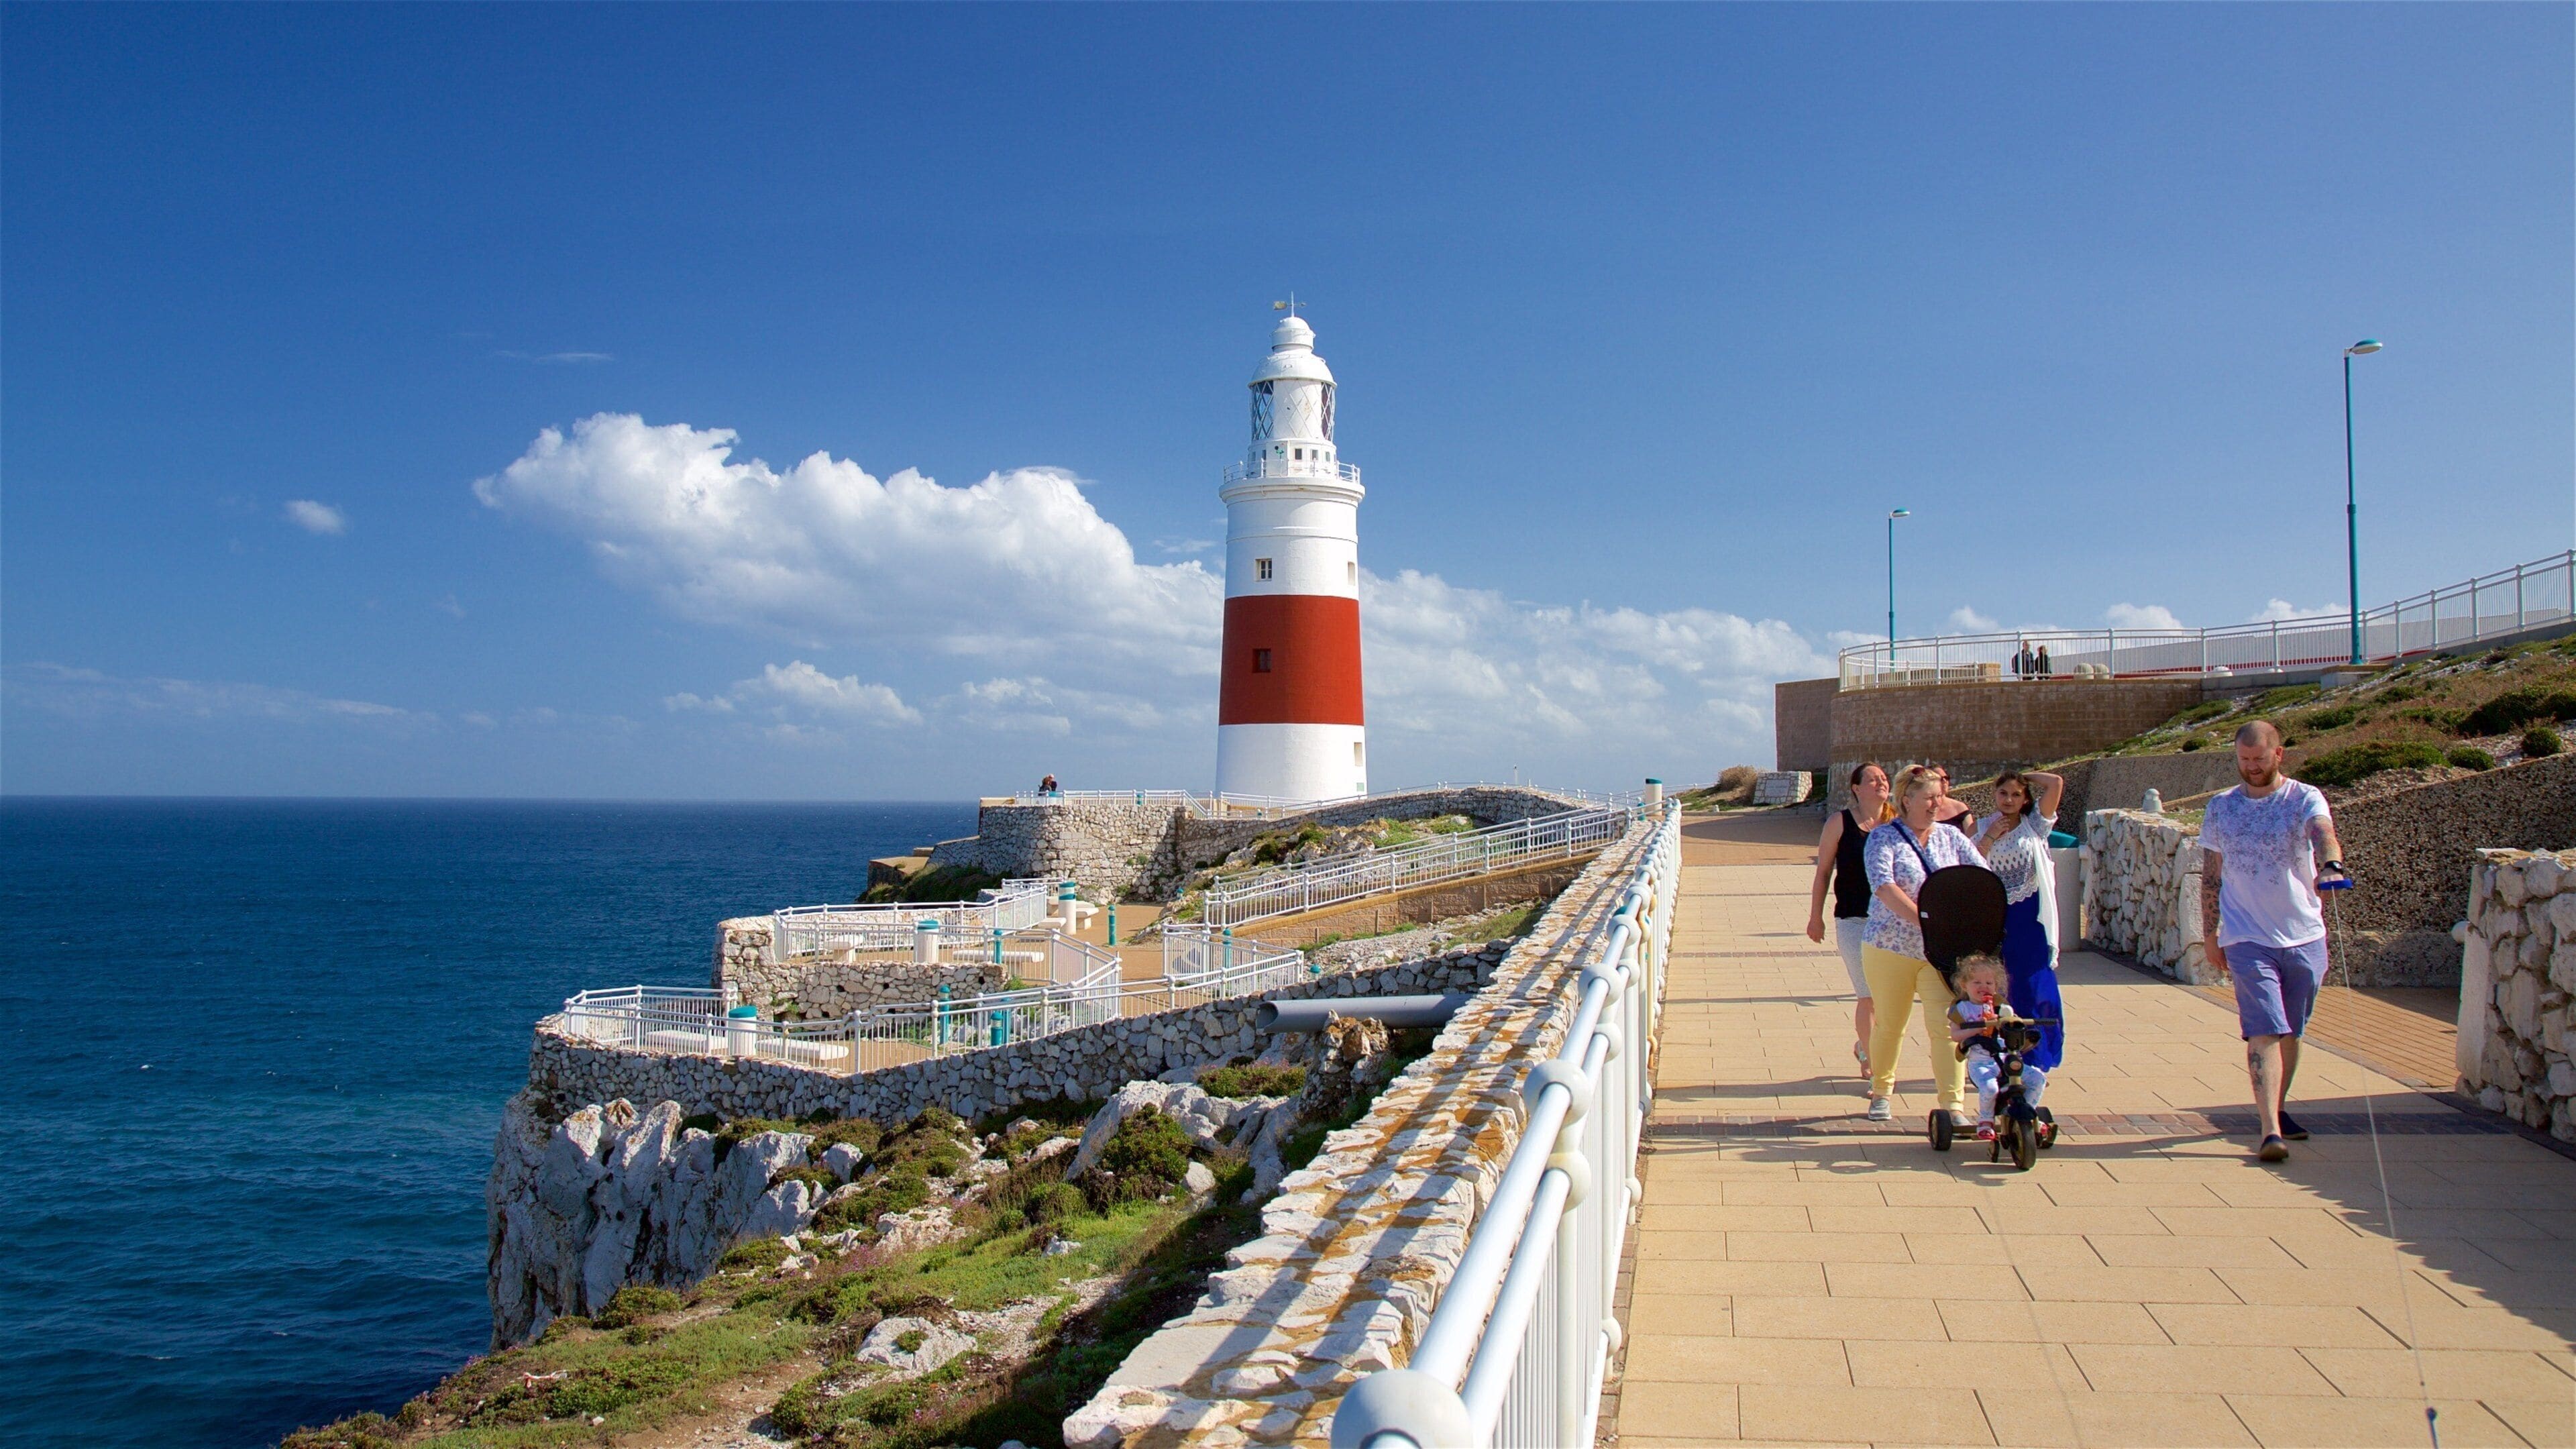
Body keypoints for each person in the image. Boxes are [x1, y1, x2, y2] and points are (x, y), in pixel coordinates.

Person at [2197, 720, 2349, 1163]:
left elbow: (2322, 832)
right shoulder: (2221, 807)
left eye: (2260, 760)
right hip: (2246, 936)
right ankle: (2269, 1131)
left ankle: (2279, 1108)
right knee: (2264, 1028)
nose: (2252, 768)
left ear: (2278, 755)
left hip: (2303, 933)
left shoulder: (2303, 797)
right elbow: (2211, 875)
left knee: (2291, 1029)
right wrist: (2211, 933)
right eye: (2244, 761)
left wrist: (2332, 864)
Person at [1861, 764, 1986, 1122]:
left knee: (1946, 1027)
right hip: (1890, 947)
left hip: (1940, 952)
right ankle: (1882, 1091)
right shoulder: (1884, 838)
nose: (1937, 804)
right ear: (1907, 800)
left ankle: (1953, 1105)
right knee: (1890, 1023)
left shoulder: (1952, 838)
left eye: (1940, 796)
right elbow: (1884, 886)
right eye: (1929, 798)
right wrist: (1927, 921)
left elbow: (1980, 877)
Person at [1973, 768, 2068, 1077]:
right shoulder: (1983, 825)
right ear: (1994, 795)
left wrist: (2022, 774)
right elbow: (1967, 862)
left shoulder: (2035, 824)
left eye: (2016, 794)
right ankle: (2005, 1055)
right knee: (2003, 985)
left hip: (2031, 916)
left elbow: (2055, 784)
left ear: (2025, 798)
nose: (2009, 799)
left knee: (2036, 984)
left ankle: (2039, 1057)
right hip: (1997, 916)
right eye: (2003, 793)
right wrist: (1989, 837)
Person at [1807, 762, 1895, 1076]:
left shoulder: (1896, 823)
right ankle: (1873, 1061)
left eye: (1883, 779)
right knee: (1868, 994)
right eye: (1872, 780)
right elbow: (1823, 872)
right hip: (1853, 920)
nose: (1880, 783)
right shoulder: (1840, 822)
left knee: (1888, 1000)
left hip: (1892, 924)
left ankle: (1865, 1044)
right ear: (1856, 789)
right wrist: (1815, 917)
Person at [1947, 957, 2047, 1142]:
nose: (1983, 987)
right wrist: (1978, 1028)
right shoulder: (1962, 1009)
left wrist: (2009, 1021)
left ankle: (2030, 1113)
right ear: (1964, 984)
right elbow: (1955, 1035)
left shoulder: (2001, 1006)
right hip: (1981, 1062)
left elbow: (2014, 1022)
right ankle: (1986, 1121)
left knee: (2037, 1079)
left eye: (1989, 983)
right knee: (1990, 1087)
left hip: (2006, 1058)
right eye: (1976, 982)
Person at [1930, 765, 1977, 835]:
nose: (1945, 781)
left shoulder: (1960, 807)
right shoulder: (1923, 810)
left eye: (1946, 778)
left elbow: (1972, 838)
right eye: (1940, 779)